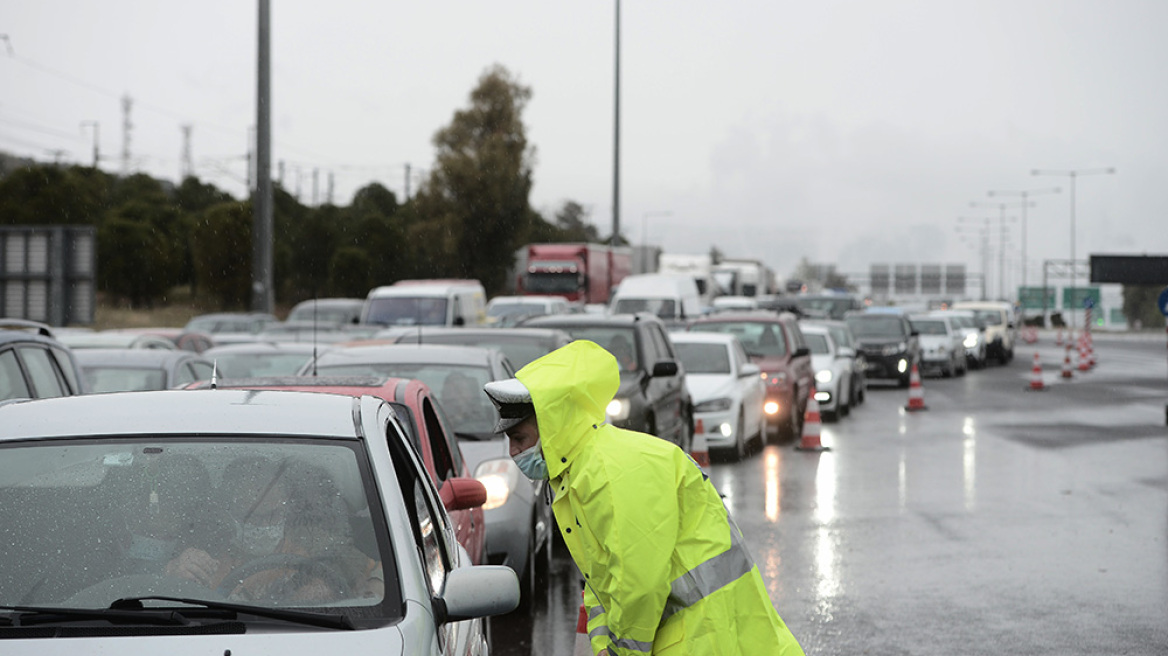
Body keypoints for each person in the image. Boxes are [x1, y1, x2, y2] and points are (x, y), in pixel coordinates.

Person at [483, 340, 804, 656]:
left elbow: (638, 585)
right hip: (698, 635)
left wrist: (621, 652)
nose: (514, 452)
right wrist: (604, 646)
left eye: (520, 438)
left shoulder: (611, 473)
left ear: (552, 428)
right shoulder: (579, 475)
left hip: (711, 637)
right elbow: (601, 583)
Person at [166, 456, 383, 603]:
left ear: (286, 506)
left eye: (272, 515)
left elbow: (378, 571)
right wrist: (172, 571)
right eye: (251, 517)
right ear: (229, 510)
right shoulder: (206, 544)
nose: (263, 525)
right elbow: (153, 587)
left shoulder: (315, 542)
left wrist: (374, 585)